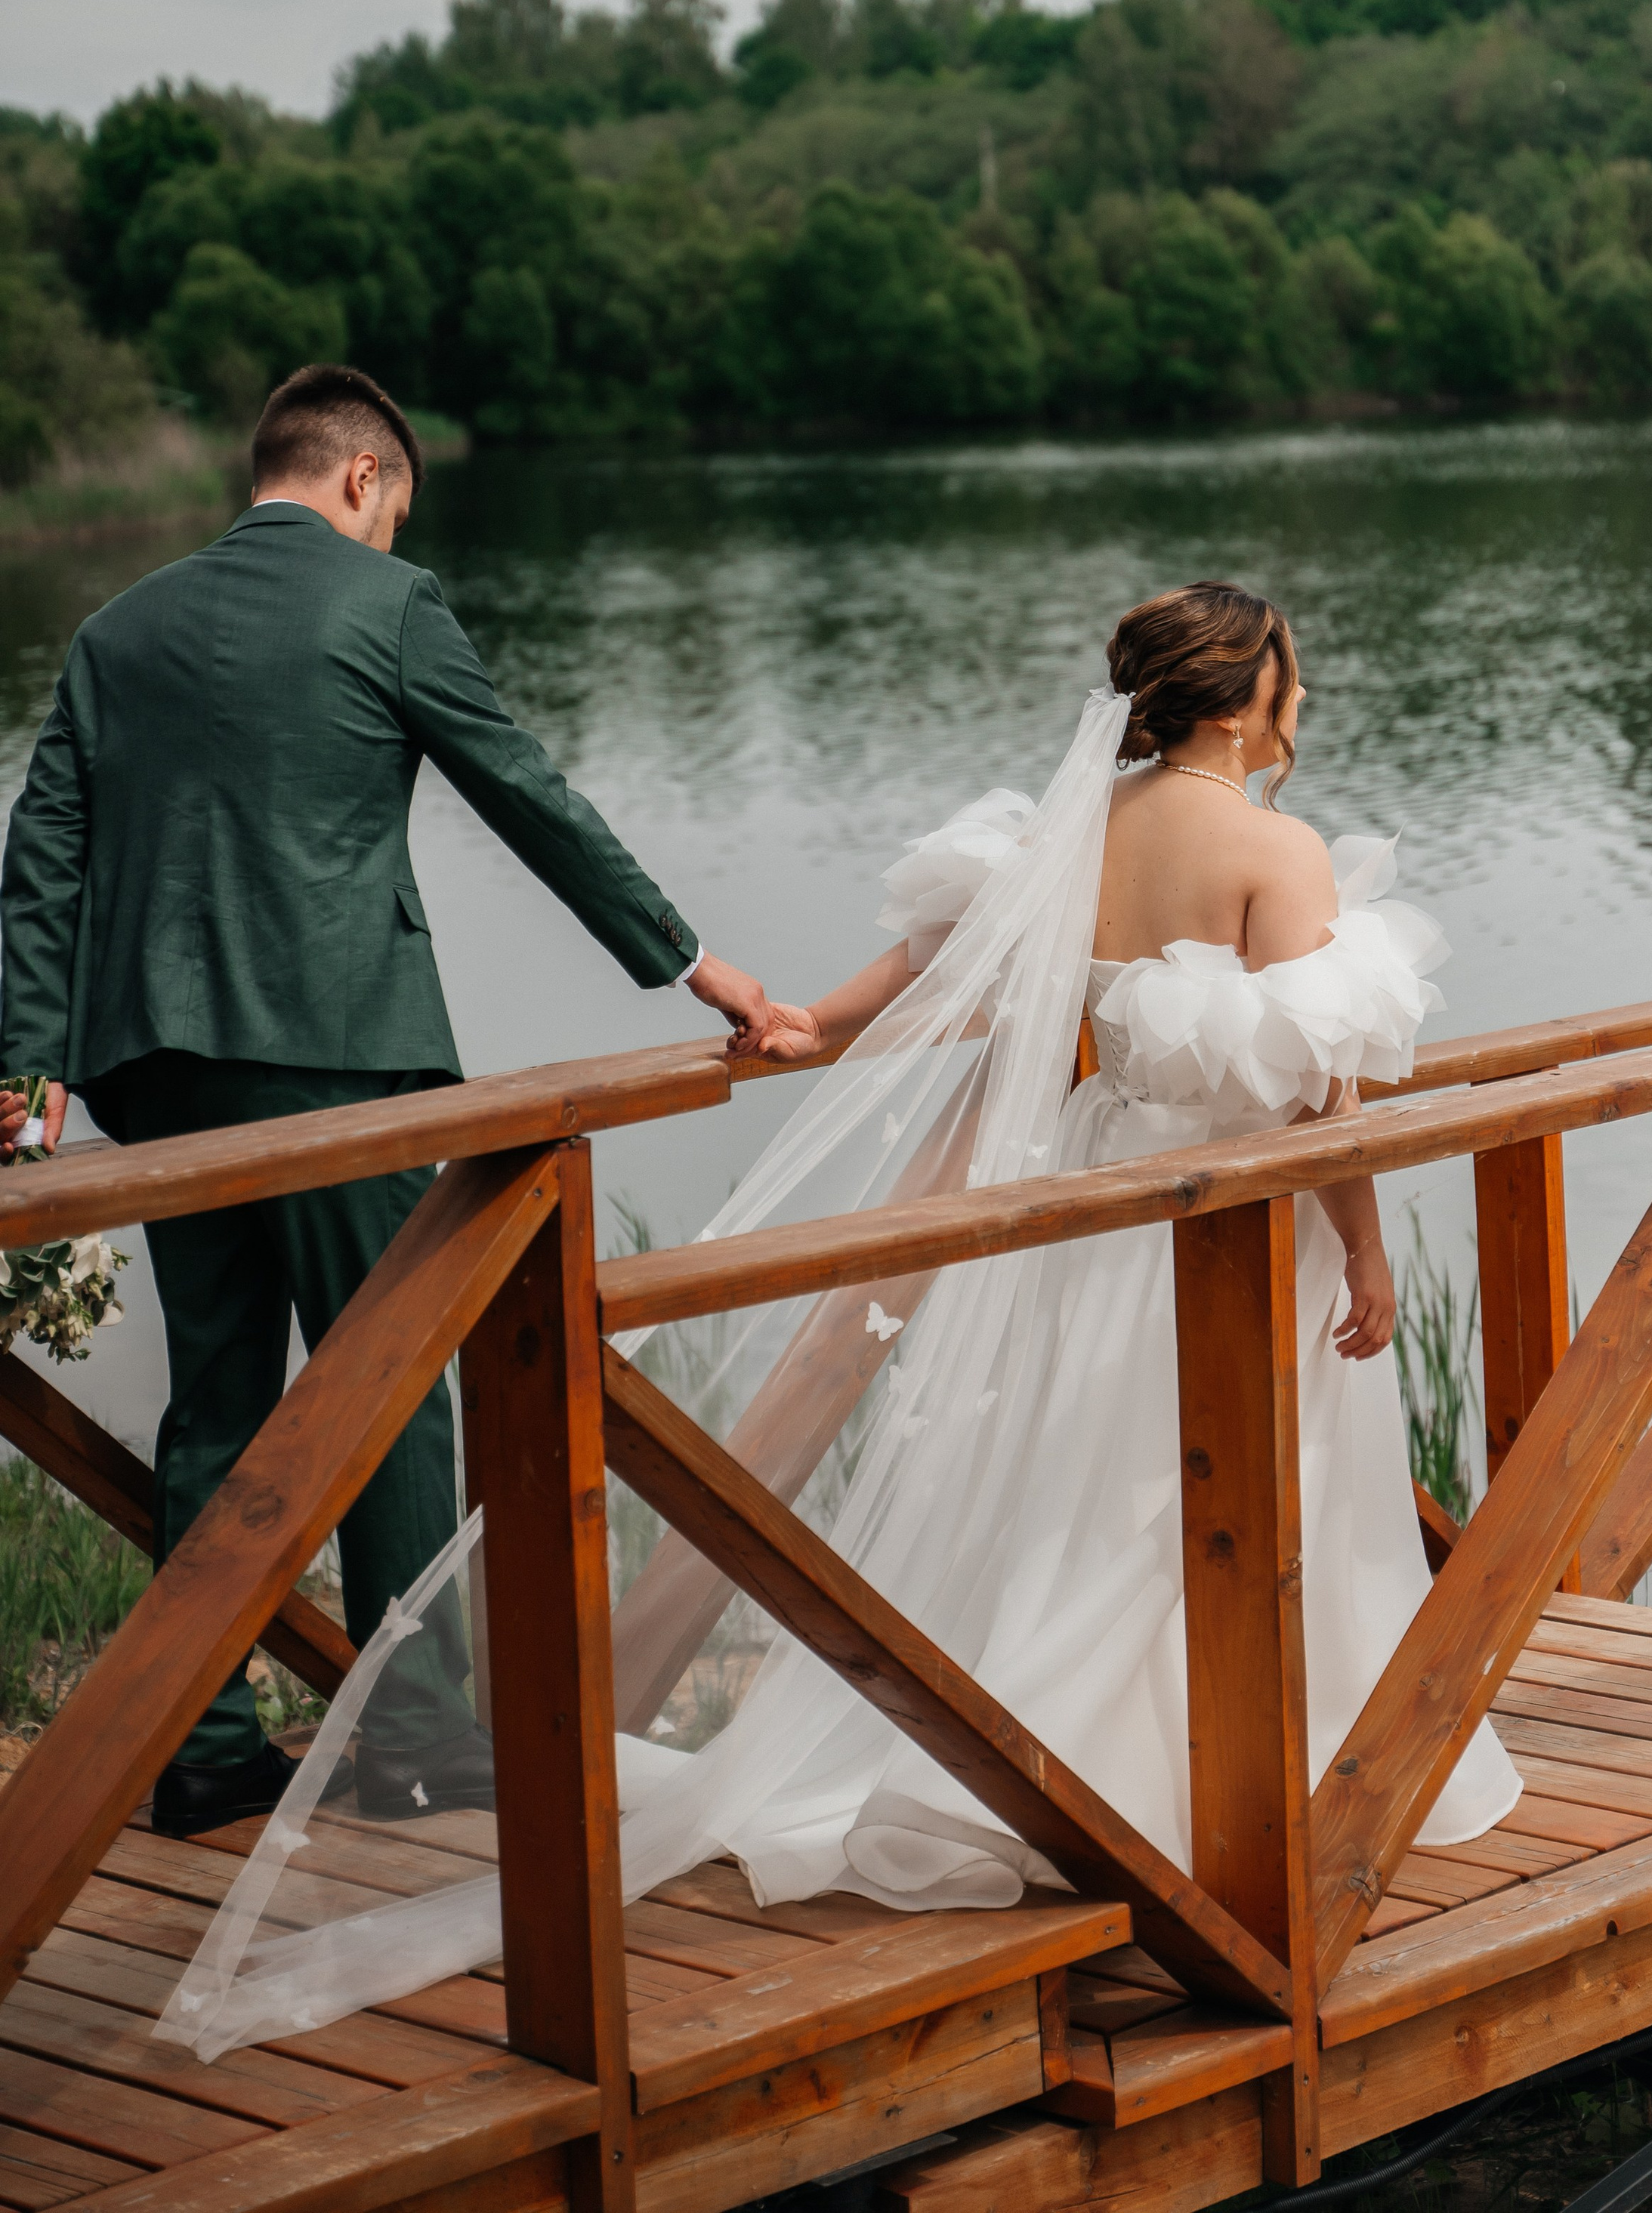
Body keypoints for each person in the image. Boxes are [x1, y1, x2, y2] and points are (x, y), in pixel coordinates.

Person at [162, 579, 1518, 2060]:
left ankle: (1068, 1781)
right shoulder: (1275, 851)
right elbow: (1319, 1086)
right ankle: (1252, 1789)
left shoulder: (1083, 833)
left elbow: (931, 966)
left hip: (1089, 1212)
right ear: (1251, 695)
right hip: (1233, 1228)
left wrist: (795, 1024)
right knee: (1236, 1498)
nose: (1300, 702)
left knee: (1093, 1493)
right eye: (1292, 678)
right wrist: (1368, 1248)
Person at [0, 364, 767, 1841]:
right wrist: (690, 965)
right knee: (396, 1377)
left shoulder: (114, 630)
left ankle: (204, 1744)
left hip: (148, 1063)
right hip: (335, 1053)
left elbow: (41, 869)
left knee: (221, 1395)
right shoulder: (388, 604)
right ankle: (411, 1733)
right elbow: (523, 789)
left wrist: (22, 1081)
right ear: (361, 479)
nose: (386, 531)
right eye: (391, 508)